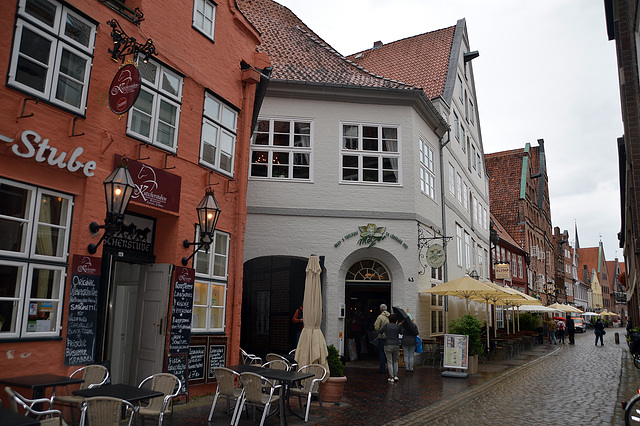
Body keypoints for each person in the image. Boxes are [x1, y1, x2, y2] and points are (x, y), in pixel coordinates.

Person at [377, 313, 402, 383]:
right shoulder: (397, 326)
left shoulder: (386, 325)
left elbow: (379, 331)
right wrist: (400, 325)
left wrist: (384, 333)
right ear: (396, 320)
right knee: (395, 361)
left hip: (388, 344)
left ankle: (391, 377)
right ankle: (396, 375)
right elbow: (402, 332)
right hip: (396, 345)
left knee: (389, 361)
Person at [374, 304, 390, 374]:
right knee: (389, 354)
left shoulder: (380, 317)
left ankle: (382, 369)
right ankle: (390, 369)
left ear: (380, 310)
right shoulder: (390, 316)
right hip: (389, 337)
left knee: (382, 353)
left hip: (382, 337)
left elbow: (376, 327)